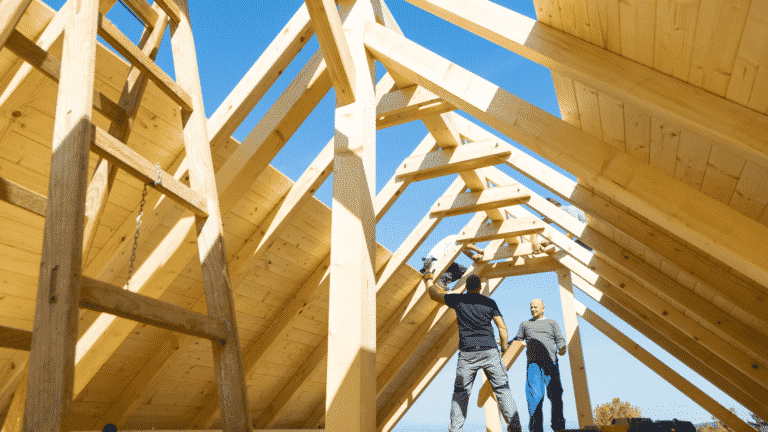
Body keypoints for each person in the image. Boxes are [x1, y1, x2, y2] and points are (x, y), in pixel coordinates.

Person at [423, 270, 523, 432]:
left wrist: (428, 278)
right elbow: (502, 328)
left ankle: (456, 430)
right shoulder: (490, 303)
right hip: (490, 351)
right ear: (479, 288)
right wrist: (504, 348)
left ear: (467, 287)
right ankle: (515, 429)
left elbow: (433, 294)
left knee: (461, 394)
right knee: (503, 390)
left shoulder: (458, 300)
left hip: (467, 353)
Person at [512, 299, 567, 432]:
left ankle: (559, 427)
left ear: (543, 308)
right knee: (534, 397)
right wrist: (504, 344)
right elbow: (517, 341)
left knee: (555, 394)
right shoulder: (525, 324)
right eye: (531, 307)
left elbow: (559, 339)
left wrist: (562, 347)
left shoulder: (552, 323)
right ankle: (536, 429)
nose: (533, 309)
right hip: (533, 365)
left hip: (550, 363)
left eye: (536, 307)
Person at [420, 234, 484, 290]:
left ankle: (442, 280)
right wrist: (477, 250)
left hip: (429, 262)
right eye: (473, 244)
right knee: (462, 271)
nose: (473, 245)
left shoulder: (457, 242)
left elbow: (467, 252)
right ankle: (442, 280)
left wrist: (474, 256)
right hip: (437, 260)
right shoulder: (458, 238)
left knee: (458, 270)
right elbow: (466, 245)